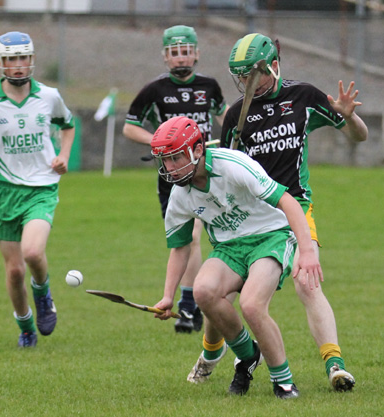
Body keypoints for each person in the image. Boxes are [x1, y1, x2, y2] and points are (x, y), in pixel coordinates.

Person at [189, 33, 367, 391]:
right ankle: (212, 351)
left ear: (272, 65)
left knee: (307, 281)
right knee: (219, 290)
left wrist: (349, 118)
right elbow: (222, 170)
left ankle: (335, 365)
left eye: (253, 75)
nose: (246, 84)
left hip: (294, 206)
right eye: (241, 77)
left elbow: (358, 137)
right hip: (248, 215)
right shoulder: (237, 114)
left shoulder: (304, 96)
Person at [151, 116, 323, 399]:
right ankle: (247, 355)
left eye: (175, 158)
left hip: (271, 237)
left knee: (252, 305)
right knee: (204, 292)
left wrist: (306, 251)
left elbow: (288, 201)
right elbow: (180, 247)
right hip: (229, 248)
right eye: (164, 160)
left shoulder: (233, 166)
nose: (169, 167)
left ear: (197, 150)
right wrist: (168, 296)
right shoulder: (180, 194)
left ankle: (284, 382)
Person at [0, 31, 76, 348]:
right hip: (3, 193)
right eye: (11, 60)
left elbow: (67, 125)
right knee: (13, 273)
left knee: (33, 252)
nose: (19, 66)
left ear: (32, 59)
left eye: (23, 58)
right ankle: (25, 328)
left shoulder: (49, 96)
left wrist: (63, 156)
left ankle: (44, 295)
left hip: (41, 188)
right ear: (0, 62)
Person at [123, 25, 228, 333]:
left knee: (211, 235)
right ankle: (188, 304)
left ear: (195, 53)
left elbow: (226, 117)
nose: (181, 59)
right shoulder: (154, 90)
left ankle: (196, 302)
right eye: (174, 53)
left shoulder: (210, 86)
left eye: (186, 52)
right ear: (165, 57)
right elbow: (130, 127)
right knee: (190, 238)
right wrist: (158, 140)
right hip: (172, 173)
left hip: (208, 170)